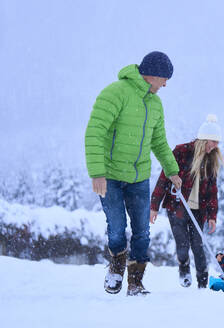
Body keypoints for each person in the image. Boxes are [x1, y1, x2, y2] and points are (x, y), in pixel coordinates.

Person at [85, 51, 182, 296]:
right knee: (117, 228)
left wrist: (172, 171)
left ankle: (136, 282)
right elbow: (95, 132)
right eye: (164, 79)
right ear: (154, 75)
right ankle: (116, 269)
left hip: (139, 177)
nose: (166, 85)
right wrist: (97, 173)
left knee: (142, 231)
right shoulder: (116, 92)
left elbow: (158, 141)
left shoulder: (155, 104)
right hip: (110, 176)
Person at [150, 114, 223, 289]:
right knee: (182, 245)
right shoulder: (181, 152)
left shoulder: (211, 160)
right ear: (203, 139)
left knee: (198, 246)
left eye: (217, 143)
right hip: (177, 207)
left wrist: (212, 216)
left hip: (199, 210)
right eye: (213, 141)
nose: (215, 146)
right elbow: (163, 179)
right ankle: (183, 268)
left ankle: (203, 283)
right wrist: (154, 206)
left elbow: (212, 191)